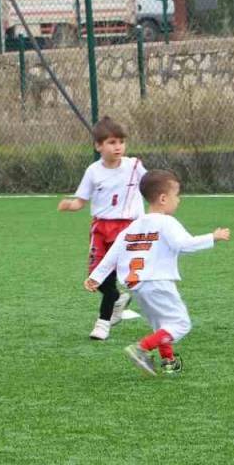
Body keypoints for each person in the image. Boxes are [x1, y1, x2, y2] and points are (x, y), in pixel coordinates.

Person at [86, 170, 230, 376]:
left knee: (162, 326)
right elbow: (184, 244)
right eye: (176, 195)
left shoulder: (133, 225)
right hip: (158, 282)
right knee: (181, 324)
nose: (178, 200)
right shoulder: (166, 222)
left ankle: (169, 362)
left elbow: (113, 254)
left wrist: (96, 277)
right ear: (163, 199)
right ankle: (141, 348)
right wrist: (213, 237)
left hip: (137, 286)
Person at [58, 117, 145, 341]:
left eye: (121, 142)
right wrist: (70, 205)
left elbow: (150, 185)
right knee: (96, 277)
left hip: (127, 229)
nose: (118, 147)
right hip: (100, 229)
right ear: (98, 146)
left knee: (114, 274)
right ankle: (117, 299)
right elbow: (81, 201)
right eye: (112, 142)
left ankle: (103, 323)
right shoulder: (93, 171)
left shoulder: (134, 166)